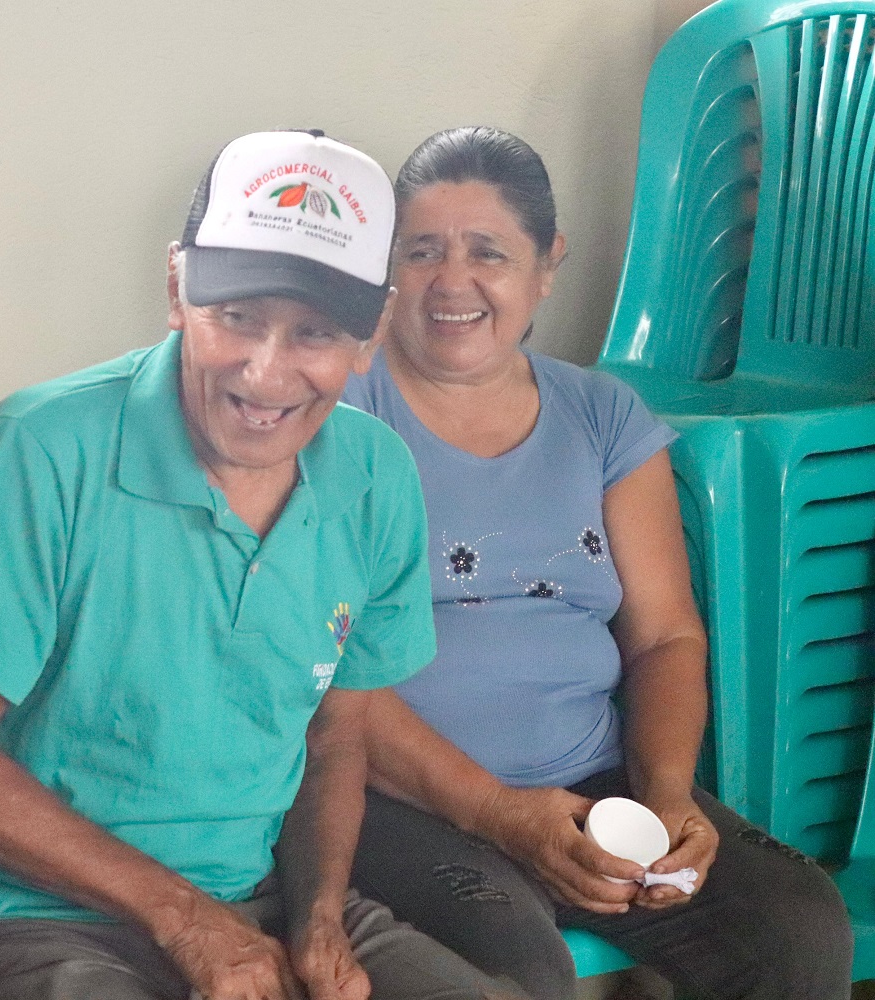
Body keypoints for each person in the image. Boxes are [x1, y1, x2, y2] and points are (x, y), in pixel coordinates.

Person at [0, 129, 528, 1000]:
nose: (265, 374)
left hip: (256, 904)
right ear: (176, 288)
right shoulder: (46, 445)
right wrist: (186, 920)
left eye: (313, 333)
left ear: (369, 335)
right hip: (23, 914)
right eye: (236, 318)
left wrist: (318, 918)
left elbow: (335, 735)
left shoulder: (376, 475)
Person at [341, 126, 853, 1000]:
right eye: (422, 252)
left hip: (590, 780)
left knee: (794, 925)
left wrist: (667, 798)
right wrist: (499, 814)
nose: (451, 281)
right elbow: (329, 673)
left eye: (488, 252)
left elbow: (664, 637)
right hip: (399, 801)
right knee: (512, 961)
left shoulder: (603, 417)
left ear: (547, 264)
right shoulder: (342, 413)